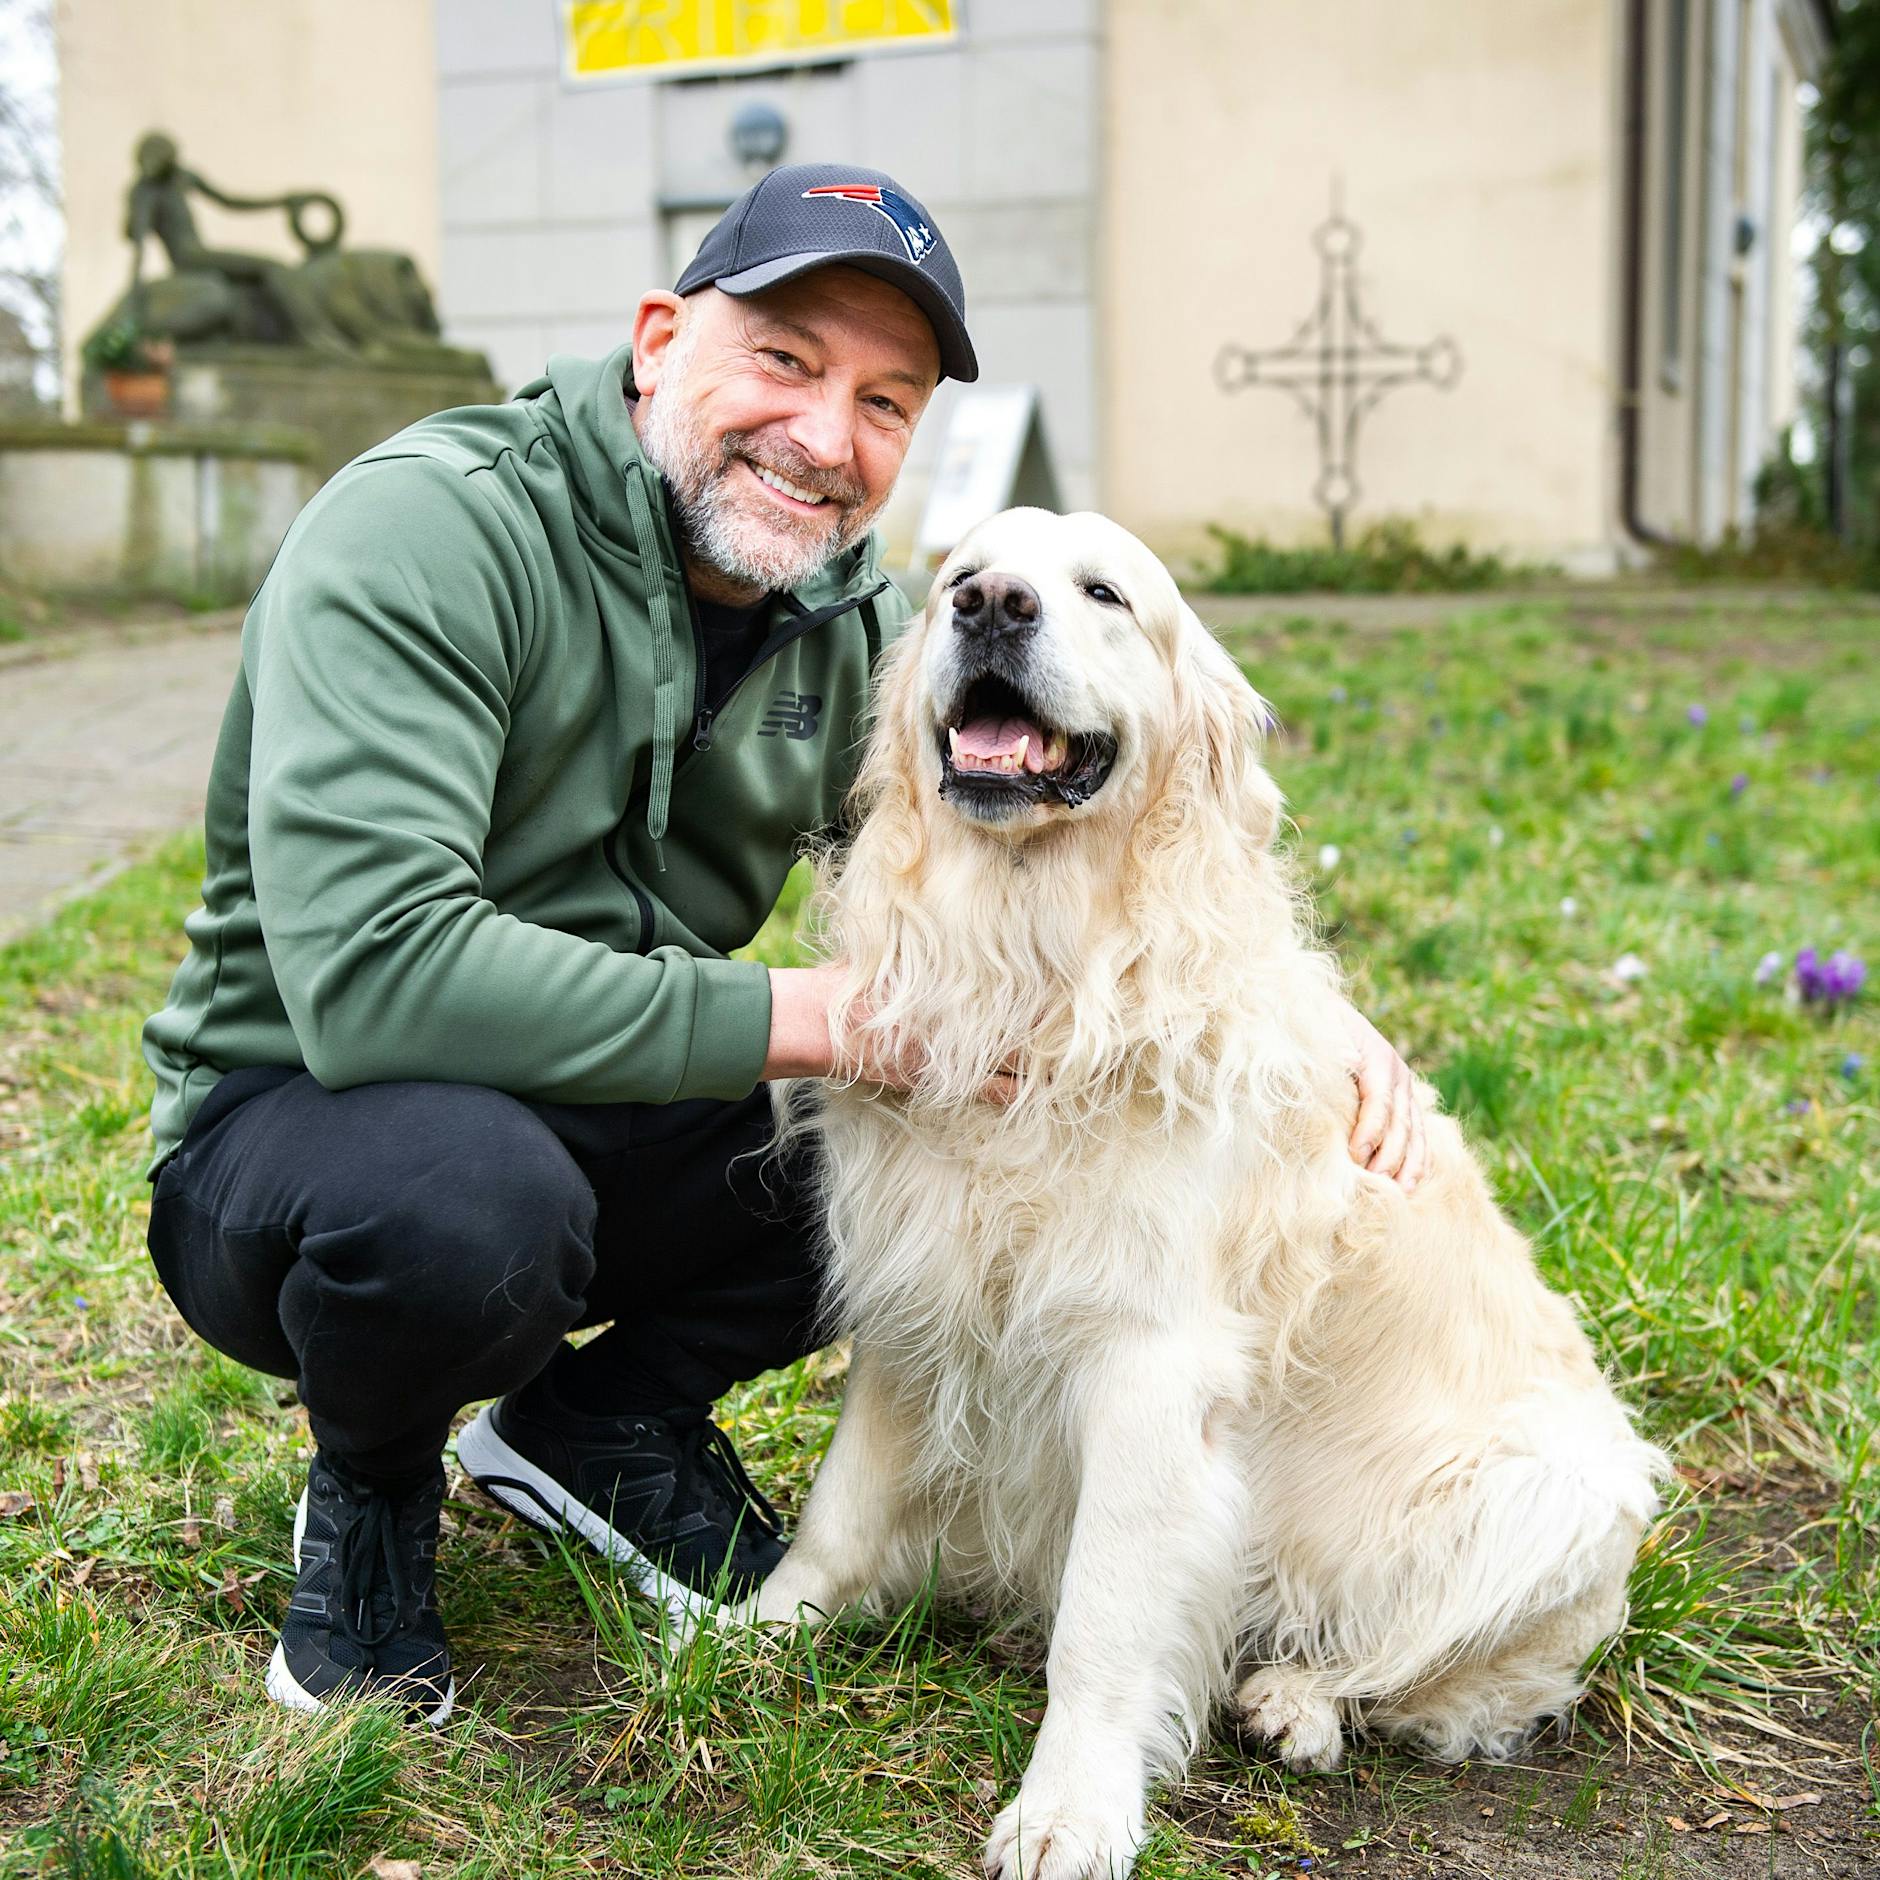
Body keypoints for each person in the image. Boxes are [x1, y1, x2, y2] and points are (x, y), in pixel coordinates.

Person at [140, 163, 1431, 1725]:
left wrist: (1315, 1029)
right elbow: (378, 978)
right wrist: (816, 1018)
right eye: (786, 362)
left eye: (886, 402)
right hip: (311, 1131)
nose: (829, 439)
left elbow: (1093, 821)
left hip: (597, 1094)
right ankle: (371, 1493)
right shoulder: (424, 535)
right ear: (657, 337)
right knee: (469, 1209)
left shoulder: (846, 620)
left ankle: (600, 1419)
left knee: (927, 1151)